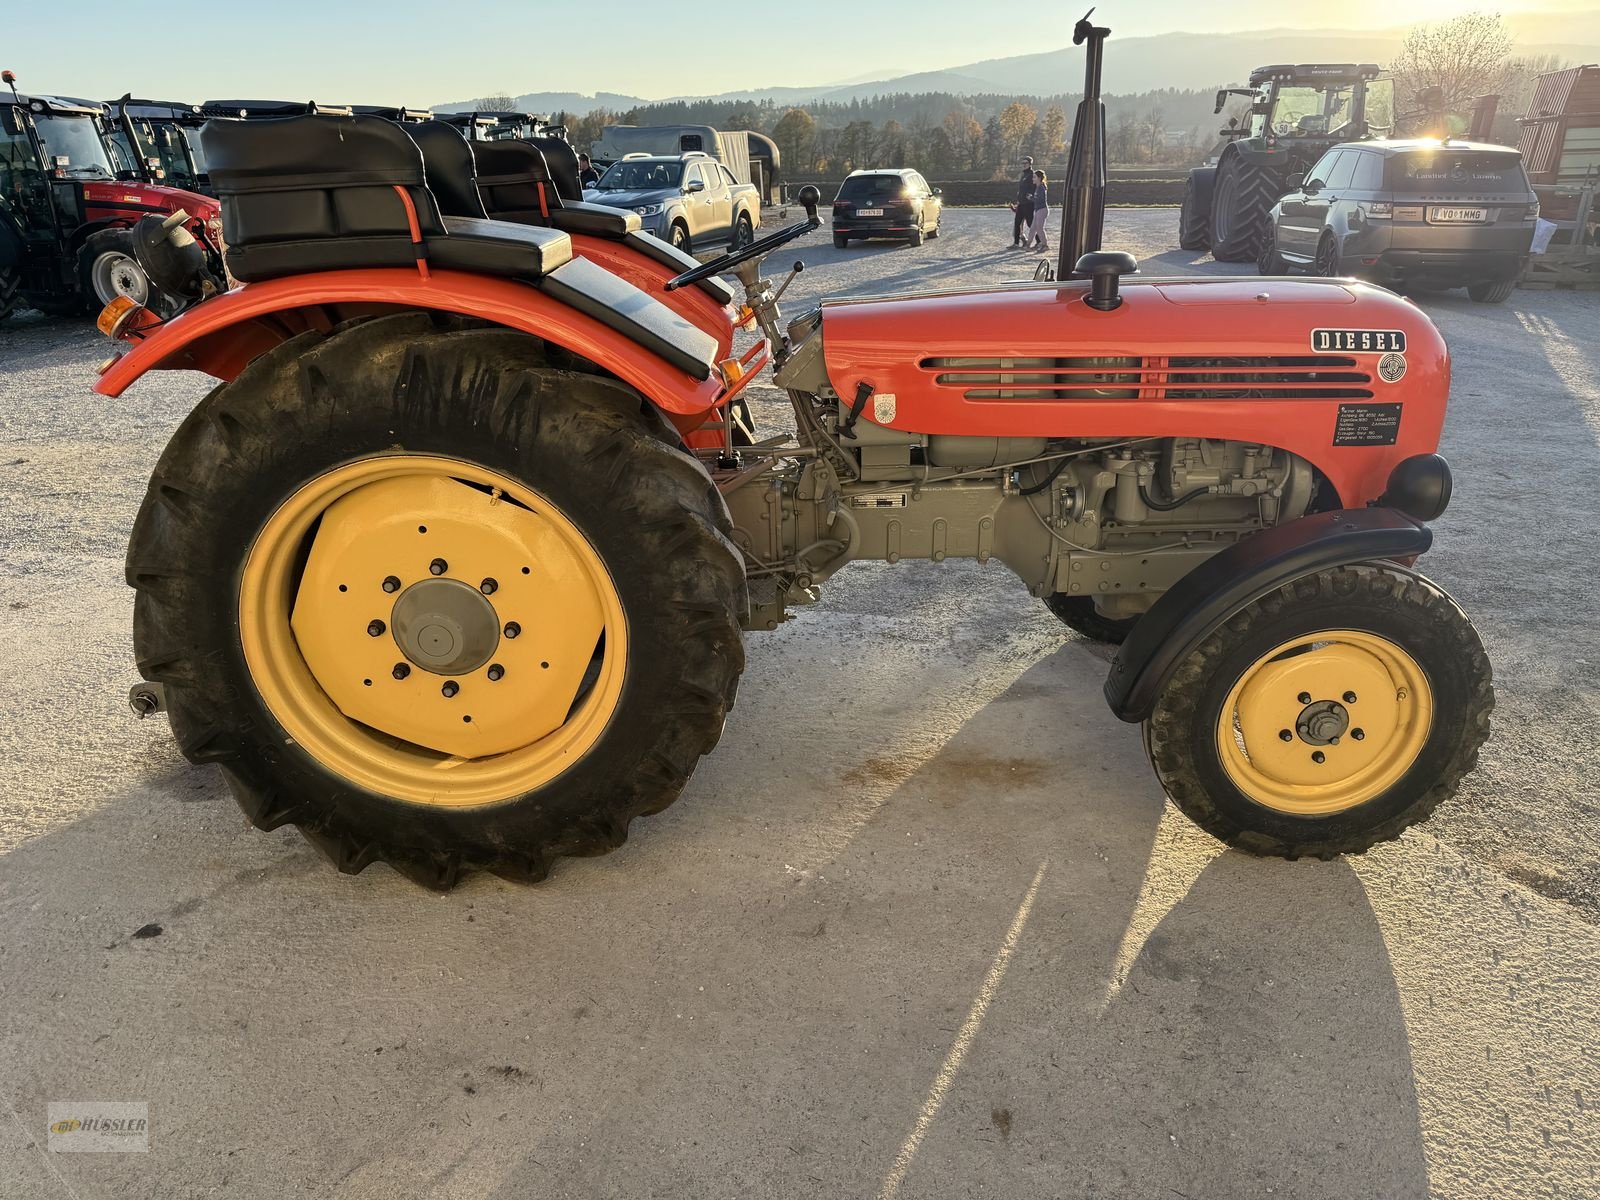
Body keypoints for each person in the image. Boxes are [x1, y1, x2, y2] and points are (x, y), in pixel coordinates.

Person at [1011, 156, 1035, 247]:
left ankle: (1039, 241)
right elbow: (1021, 189)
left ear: (1030, 164)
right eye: (1023, 163)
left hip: (1028, 204)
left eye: (1026, 163)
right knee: (1017, 223)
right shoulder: (1023, 174)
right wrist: (1018, 200)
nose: (1024, 165)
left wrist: (1030, 195)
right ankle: (1016, 243)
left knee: (1030, 223)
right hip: (1021, 203)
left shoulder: (1032, 174)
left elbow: (1034, 187)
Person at [1027, 170, 1051, 253]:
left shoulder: (1041, 187)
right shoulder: (1038, 187)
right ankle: (1028, 245)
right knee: (1033, 228)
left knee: (1039, 228)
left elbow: (1040, 200)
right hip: (1038, 210)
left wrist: (1031, 198)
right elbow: (1037, 199)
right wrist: (1032, 198)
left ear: (1039, 178)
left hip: (1042, 210)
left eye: (1034, 177)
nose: (1032, 179)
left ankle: (1045, 245)